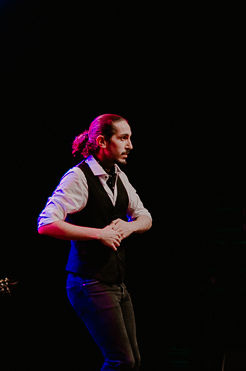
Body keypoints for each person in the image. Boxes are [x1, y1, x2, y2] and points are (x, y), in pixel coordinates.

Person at [37, 114, 152, 370]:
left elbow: (145, 216)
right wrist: (98, 233)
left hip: (117, 284)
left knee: (133, 361)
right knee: (122, 360)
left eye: (130, 138)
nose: (130, 145)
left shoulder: (119, 176)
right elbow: (45, 224)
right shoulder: (78, 177)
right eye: (123, 138)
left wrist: (129, 226)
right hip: (88, 282)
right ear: (102, 141)